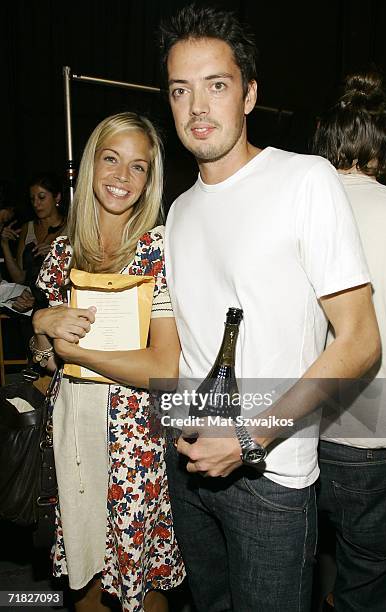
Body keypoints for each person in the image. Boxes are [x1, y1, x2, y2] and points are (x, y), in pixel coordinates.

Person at [159, 6, 380, 611]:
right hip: (188, 464)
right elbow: (185, 346)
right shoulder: (179, 211)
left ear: (250, 94)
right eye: (181, 90)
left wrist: (250, 439)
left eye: (217, 85)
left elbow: (360, 342)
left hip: (269, 476)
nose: (198, 106)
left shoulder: (304, 180)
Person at [31, 113, 185, 612]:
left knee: (142, 581)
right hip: (73, 427)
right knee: (86, 574)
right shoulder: (61, 251)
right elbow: (46, 361)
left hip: (134, 437)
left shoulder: (158, 250)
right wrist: (42, 326)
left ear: (150, 180)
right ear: (91, 163)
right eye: (111, 159)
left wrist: (78, 351)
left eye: (138, 167)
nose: (122, 177)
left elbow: (164, 365)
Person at [312, 72, 386, 612]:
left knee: (292, 568)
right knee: (369, 578)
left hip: (295, 429)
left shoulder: (299, 206)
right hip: (380, 435)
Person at [0, 172, 65, 313]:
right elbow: (20, 278)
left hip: (59, 304)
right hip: (31, 304)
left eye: (41, 197)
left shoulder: (72, 227)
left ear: (57, 197)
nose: (36, 204)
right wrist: (4, 244)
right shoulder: (27, 228)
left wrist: (57, 256)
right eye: (32, 199)